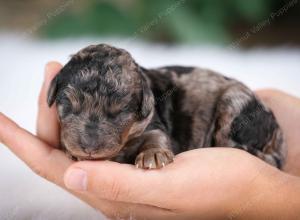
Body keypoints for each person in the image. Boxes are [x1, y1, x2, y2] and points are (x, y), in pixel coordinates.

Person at [0, 62, 299, 220]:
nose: (89, 139)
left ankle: (254, 153)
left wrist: (261, 190)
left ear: (143, 106)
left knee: (234, 104)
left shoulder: (147, 104)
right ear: (54, 94)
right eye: (72, 109)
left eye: (115, 114)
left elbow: (155, 134)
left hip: (231, 107)